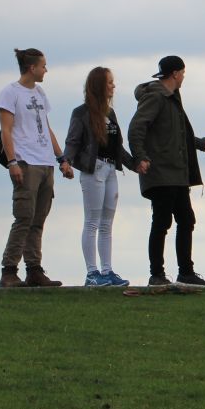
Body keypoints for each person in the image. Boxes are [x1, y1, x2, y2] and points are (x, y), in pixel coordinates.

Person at [129, 56, 205, 288]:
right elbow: (136, 127)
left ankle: (186, 272)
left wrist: (201, 143)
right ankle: (156, 274)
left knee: (186, 219)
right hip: (160, 172)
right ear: (176, 73)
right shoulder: (157, 96)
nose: (184, 77)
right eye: (183, 73)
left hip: (177, 173)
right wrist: (140, 156)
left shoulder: (172, 98)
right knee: (162, 221)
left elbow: (180, 134)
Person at [0, 48, 73, 288]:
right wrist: (12, 162)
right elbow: (6, 130)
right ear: (32, 68)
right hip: (25, 163)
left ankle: (34, 269)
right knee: (23, 217)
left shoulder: (40, 93)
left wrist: (61, 158)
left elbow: (46, 128)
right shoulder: (10, 93)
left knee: (38, 219)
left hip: (45, 163)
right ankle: (9, 270)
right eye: (43, 66)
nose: (46, 70)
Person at [65, 67, 136, 287]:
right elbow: (73, 141)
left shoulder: (110, 114)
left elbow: (118, 147)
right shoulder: (82, 112)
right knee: (92, 221)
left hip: (110, 169)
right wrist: (66, 162)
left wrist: (135, 164)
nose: (113, 86)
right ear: (98, 85)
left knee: (107, 223)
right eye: (109, 82)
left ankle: (107, 271)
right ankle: (92, 272)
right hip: (92, 170)